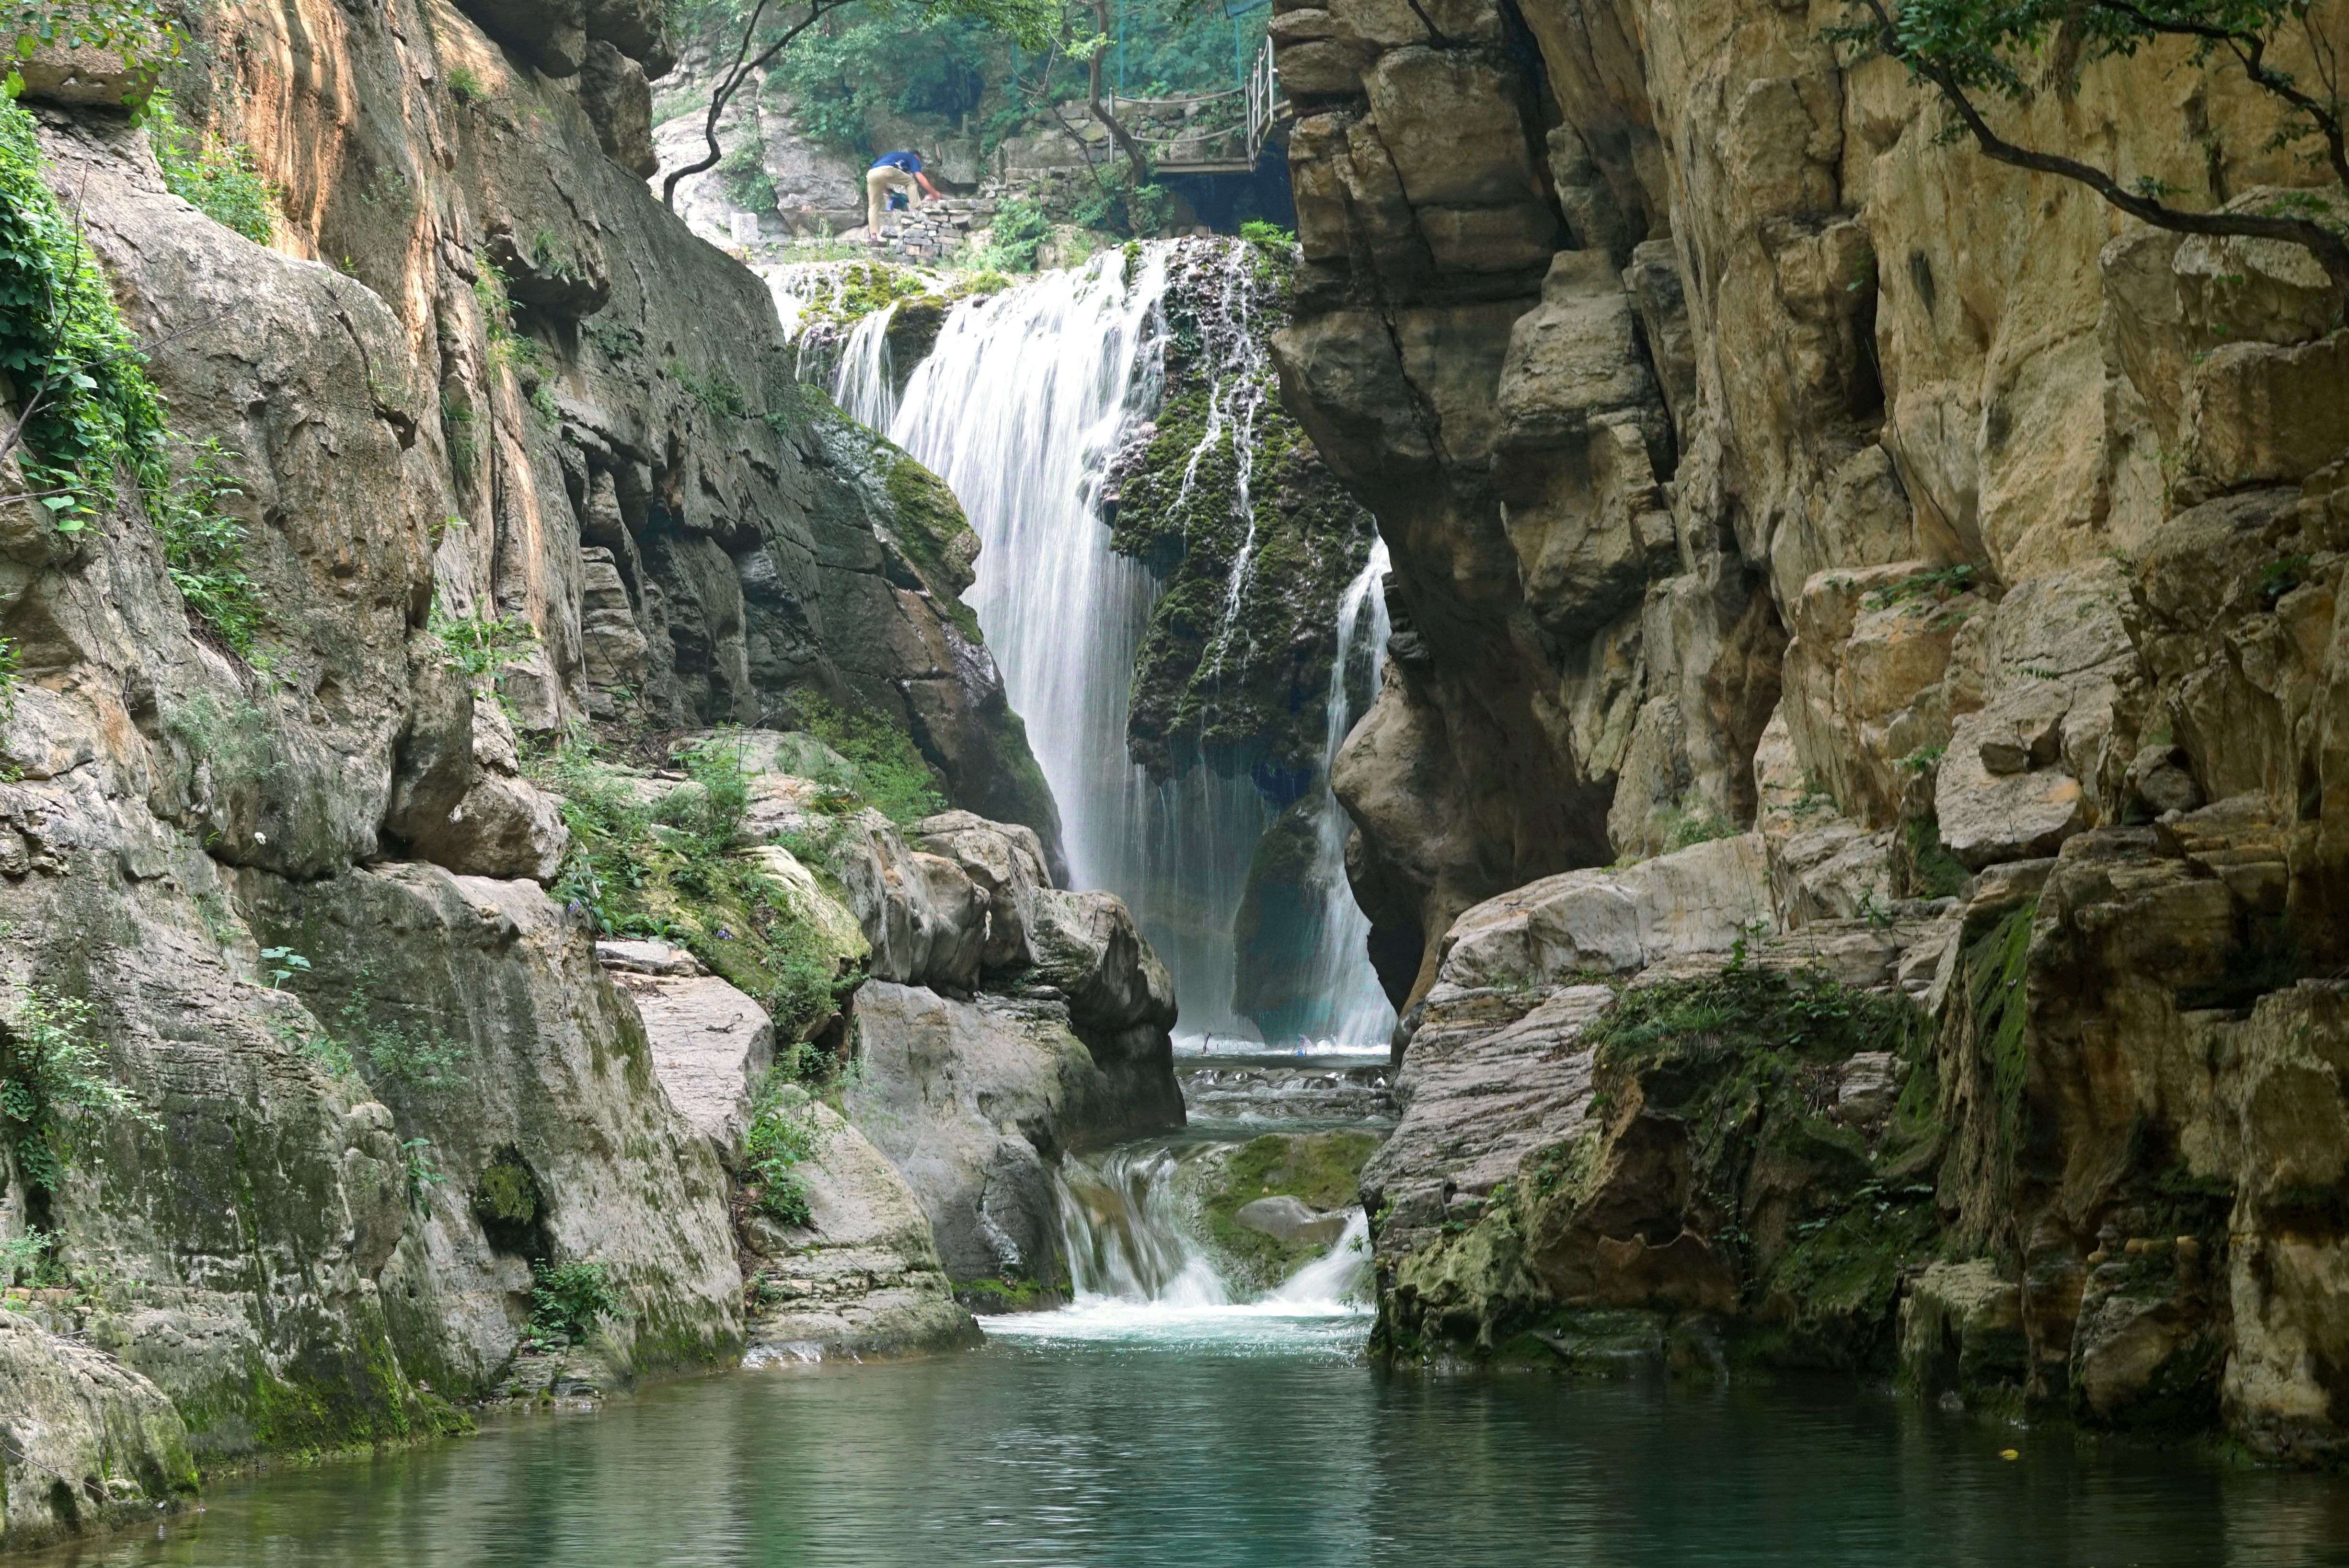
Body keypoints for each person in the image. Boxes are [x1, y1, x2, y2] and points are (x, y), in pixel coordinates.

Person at [865, 150, 941, 234]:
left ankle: (873, 236)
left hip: (871, 174)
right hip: (886, 170)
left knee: (873, 205)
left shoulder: (891, 157)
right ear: (917, 156)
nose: (918, 163)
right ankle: (915, 209)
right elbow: (920, 177)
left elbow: (880, 177)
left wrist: (889, 195)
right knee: (911, 182)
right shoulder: (912, 158)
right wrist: (935, 194)